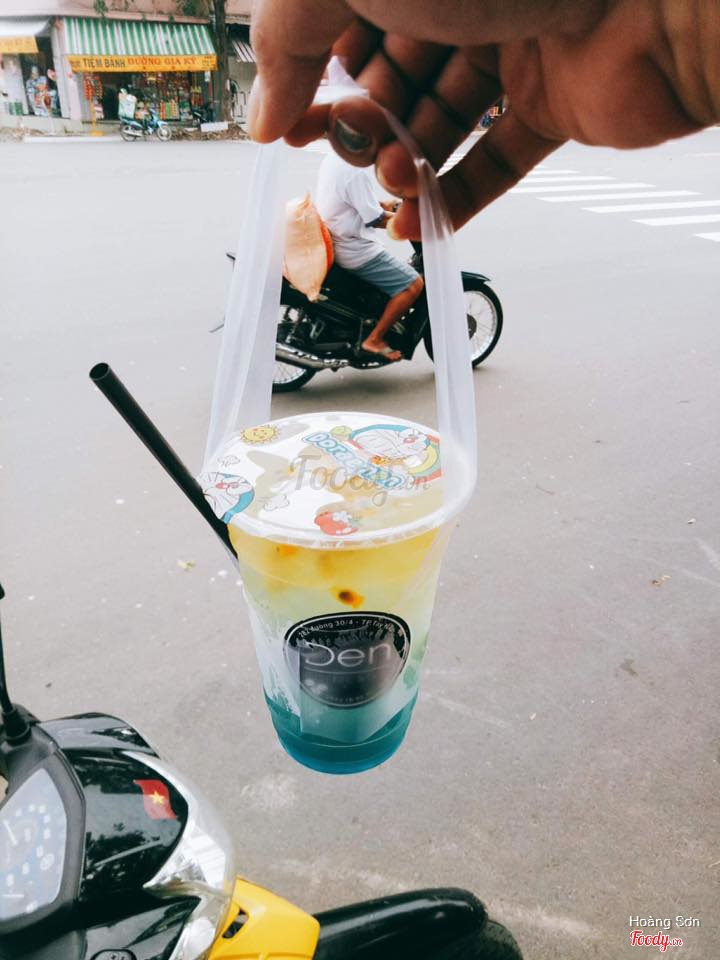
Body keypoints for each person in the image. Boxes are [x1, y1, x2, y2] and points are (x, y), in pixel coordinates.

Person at [247, 0, 720, 238]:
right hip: (354, 250)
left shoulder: (343, 163)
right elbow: (370, 217)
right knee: (403, 284)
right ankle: (375, 339)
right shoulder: (349, 167)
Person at [316, 151, 423, 361]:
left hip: (337, 238)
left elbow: (349, 202)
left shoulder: (333, 159)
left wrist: (384, 206)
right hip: (354, 250)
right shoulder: (355, 171)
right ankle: (374, 339)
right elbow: (376, 219)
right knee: (413, 284)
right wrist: (412, 222)